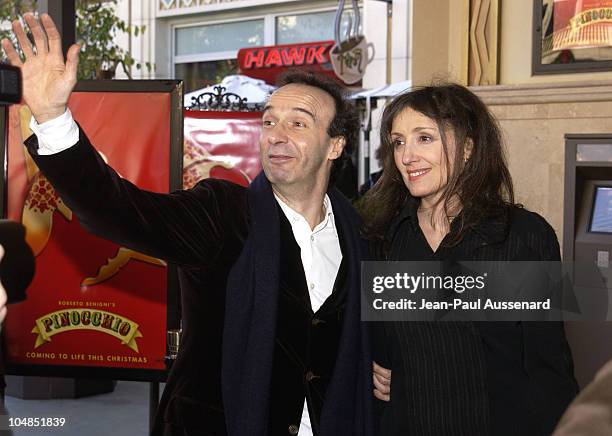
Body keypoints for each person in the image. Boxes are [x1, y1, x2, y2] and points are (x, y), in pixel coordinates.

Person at [2, 13, 374, 436]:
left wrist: (386, 368)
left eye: (298, 123)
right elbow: (118, 209)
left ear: (336, 145)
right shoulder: (222, 213)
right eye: (269, 121)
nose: (276, 134)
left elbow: (377, 334)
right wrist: (52, 119)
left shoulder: (359, 234)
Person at [360, 83, 578, 436]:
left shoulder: (521, 237)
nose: (407, 156)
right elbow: (378, 345)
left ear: (468, 148)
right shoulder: (383, 238)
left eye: (424, 138)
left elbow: (549, 369)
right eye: (398, 141)